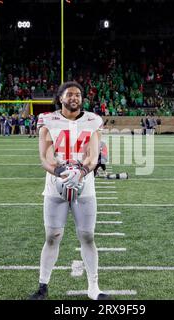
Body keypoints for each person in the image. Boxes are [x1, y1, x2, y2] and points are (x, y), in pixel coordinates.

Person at [29, 81, 109, 300]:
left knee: (88, 236)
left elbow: (93, 156)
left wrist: (81, 172)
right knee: (52, 236)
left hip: (85, 185)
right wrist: (62, 172)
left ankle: (94, 287)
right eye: (70, 94)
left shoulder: (93, 120)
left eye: (78, 95)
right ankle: (43, 286)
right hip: (56, 185)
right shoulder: (47, 119)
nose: (74, 97)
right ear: (60, 98)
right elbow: (45, 157)